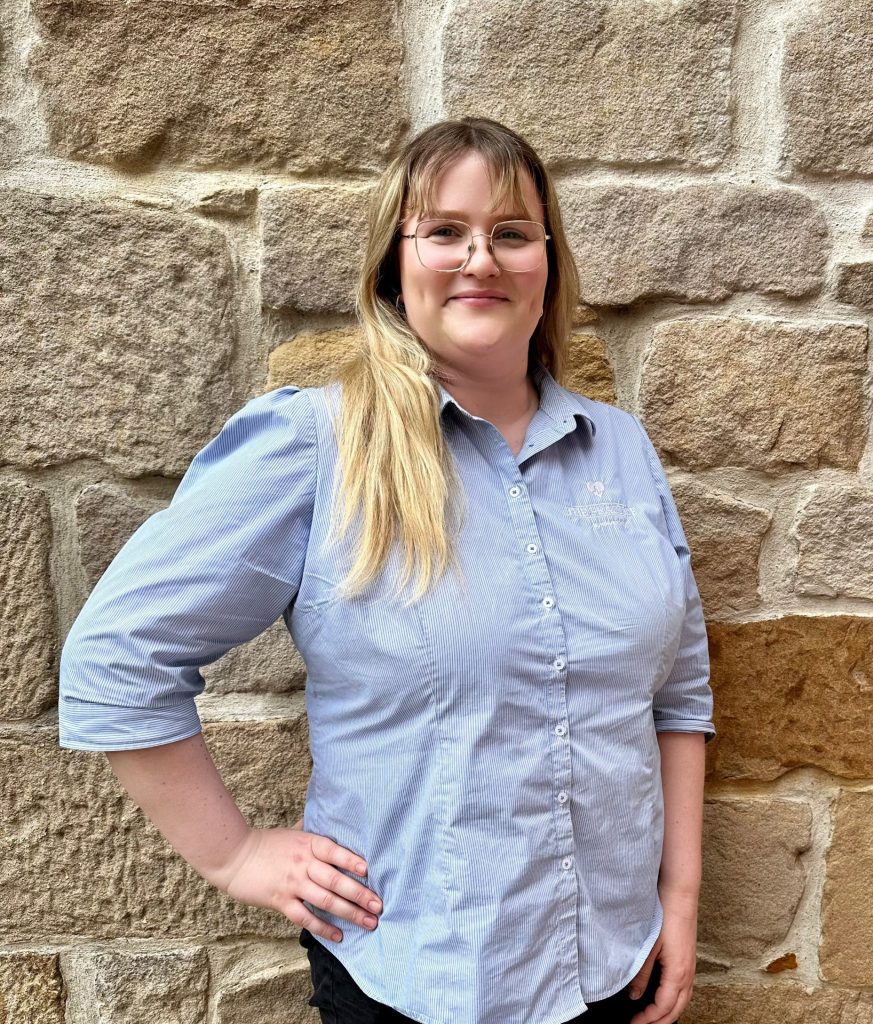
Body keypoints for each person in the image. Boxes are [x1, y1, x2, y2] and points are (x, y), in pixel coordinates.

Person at [58, 116, 715, 1024]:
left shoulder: (619, 449)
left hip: (611, 965)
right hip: (413, 973)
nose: (480, 258)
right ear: (392, 267)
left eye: (512, 232)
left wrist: (678, 898)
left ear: (547, 265)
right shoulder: (315, 444)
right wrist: (233, 854)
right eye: (444, 231)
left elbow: (676, 693)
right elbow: (117, 656)